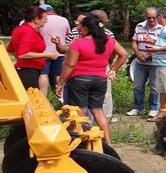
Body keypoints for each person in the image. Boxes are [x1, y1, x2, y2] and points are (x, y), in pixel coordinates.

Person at [54, 14, 128, 145]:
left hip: (79, 80)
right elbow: (124, 54)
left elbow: (70, 65)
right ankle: (109, 143)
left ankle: (81, 142)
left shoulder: (78, 43)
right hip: (100, 80)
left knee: (80, 112)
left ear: (86, 28)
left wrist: (59, 84)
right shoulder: (108, 40)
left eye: (81, 27)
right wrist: (113, 69)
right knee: (98, 111)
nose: (79, 29)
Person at [7, 6, 59, 89]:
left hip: (27, 69)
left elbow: (10, 49)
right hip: (29, 72)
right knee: (32, 97)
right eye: (45, 18)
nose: (46, 21)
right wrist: (48, 54)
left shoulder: (19, 29)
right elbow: (23, 54)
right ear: (36, 19)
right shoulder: (28, 31)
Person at [127, 7, 162, 117]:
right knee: (137, 86)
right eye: (149, 17)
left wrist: (151, 56)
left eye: (153, 17)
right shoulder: (139, 26)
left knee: (155, 87)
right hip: (140, 62)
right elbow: (134, 42)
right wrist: (137, 53)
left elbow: (163, 46)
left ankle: (154, 108)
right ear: (145, 17)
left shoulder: (162, 28)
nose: (151, 20)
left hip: (154, 63)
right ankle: (138, 107)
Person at [90, 9, 117, 123]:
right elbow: (116, 51)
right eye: (106, 18)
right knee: (105, 92)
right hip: (102, 65)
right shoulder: (107, 33)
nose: (107, 20)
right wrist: (110, 64)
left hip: (83, 65)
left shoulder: (79, 31)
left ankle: (89, 117)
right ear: (100, 20)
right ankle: (106, 116)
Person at [38, 3, 70, 96]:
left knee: (43, 75)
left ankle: (43, 97)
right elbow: (68, 35)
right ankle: (61, 98)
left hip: (44, 52)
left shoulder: (40, 20)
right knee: (58, 75)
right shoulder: (64, 20)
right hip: (59, 51)